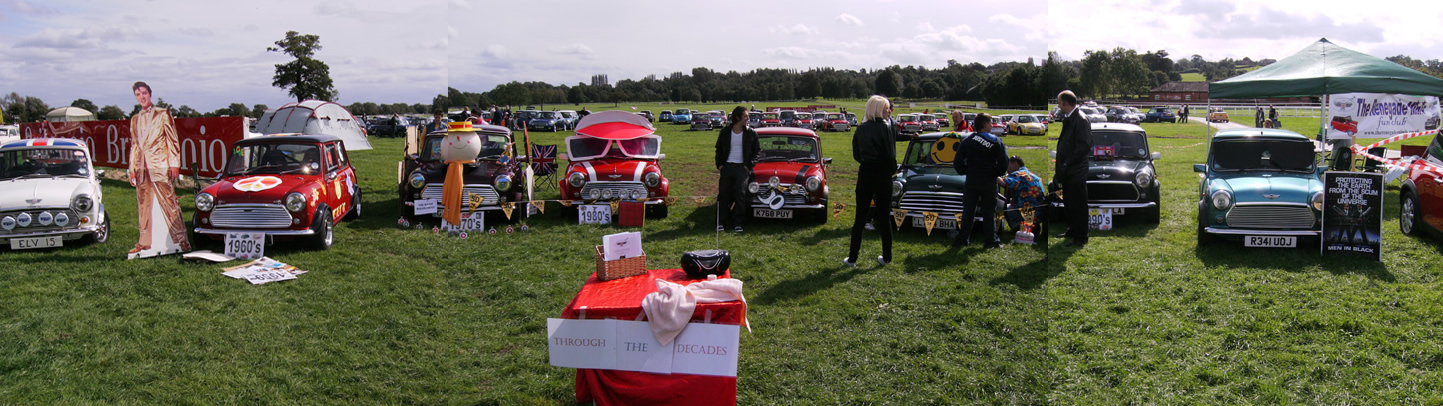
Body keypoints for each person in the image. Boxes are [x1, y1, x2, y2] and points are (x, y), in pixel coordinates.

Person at [128, 81, 191, 255]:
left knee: (170, 203)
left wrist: (174, 163)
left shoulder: (163, 114)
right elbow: (134, 144)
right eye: (138, 94)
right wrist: (132, 167)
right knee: (143, 206)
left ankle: (182, 240)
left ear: (150, 94)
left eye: (144, 93)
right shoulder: (134, 119)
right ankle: (144, 242)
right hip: (141, 167)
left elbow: (172, 139)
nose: (141, 97)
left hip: (160, 164)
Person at [846, 96, 898, 266]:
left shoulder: (860, 128)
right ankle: (887, 256)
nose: (888, 111)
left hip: (866, 173)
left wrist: (867, 162)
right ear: (877, 109)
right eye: (885, 109)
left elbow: (856, 154)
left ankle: (852, 258)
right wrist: (890, 171)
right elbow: (891, 156)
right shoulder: (886, 128)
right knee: (884, 217)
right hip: (883, 174)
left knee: (860, 217)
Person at [952, 113, 1009, 249]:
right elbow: (1004, 162)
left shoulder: (967, 140)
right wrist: (996, 173)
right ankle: (990, 241)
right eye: (990, 123)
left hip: (972, 179)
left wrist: (966, 171)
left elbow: (957, 161)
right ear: (985, 125)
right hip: (989, 180)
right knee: (989, 212)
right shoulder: (996, 141)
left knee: (968, 212)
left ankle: (962, 239)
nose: (992, 126)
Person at [1054, 90, 1091, 247]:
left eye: (1059, 102)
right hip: (1068, 170)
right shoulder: (1070, 118)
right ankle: (1072, 230)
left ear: (1066, 103)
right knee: (1068, 203)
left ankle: (1081, 236)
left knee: (1078, 205)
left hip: (1075, 171)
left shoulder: (1080, 119)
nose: (1058, 105)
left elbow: (1083, 146)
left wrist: (1067, 163)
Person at [714, 106, 760, 233]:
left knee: (741, 195)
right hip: (727, 167)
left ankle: (738, 223)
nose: (748, 118)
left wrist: (748, 166)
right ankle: (721, 223)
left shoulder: (751, 133)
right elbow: (718, 150)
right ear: (738, 117)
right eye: (745, 116)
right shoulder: (725, 132)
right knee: (724, 195)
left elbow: (757, 152)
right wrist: (720, 165)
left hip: (742, 168)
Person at [998, 156, 1045, 233]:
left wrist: (993, 175)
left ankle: (1018, 227)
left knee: (1006, 207)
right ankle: (1033, 226)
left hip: (1026, 214)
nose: (1007, 169)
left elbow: (1003, 183)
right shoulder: (1035, 176)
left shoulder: (1018, 174)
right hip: (1038, 215)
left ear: (1016, 164)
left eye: (1008, 165)